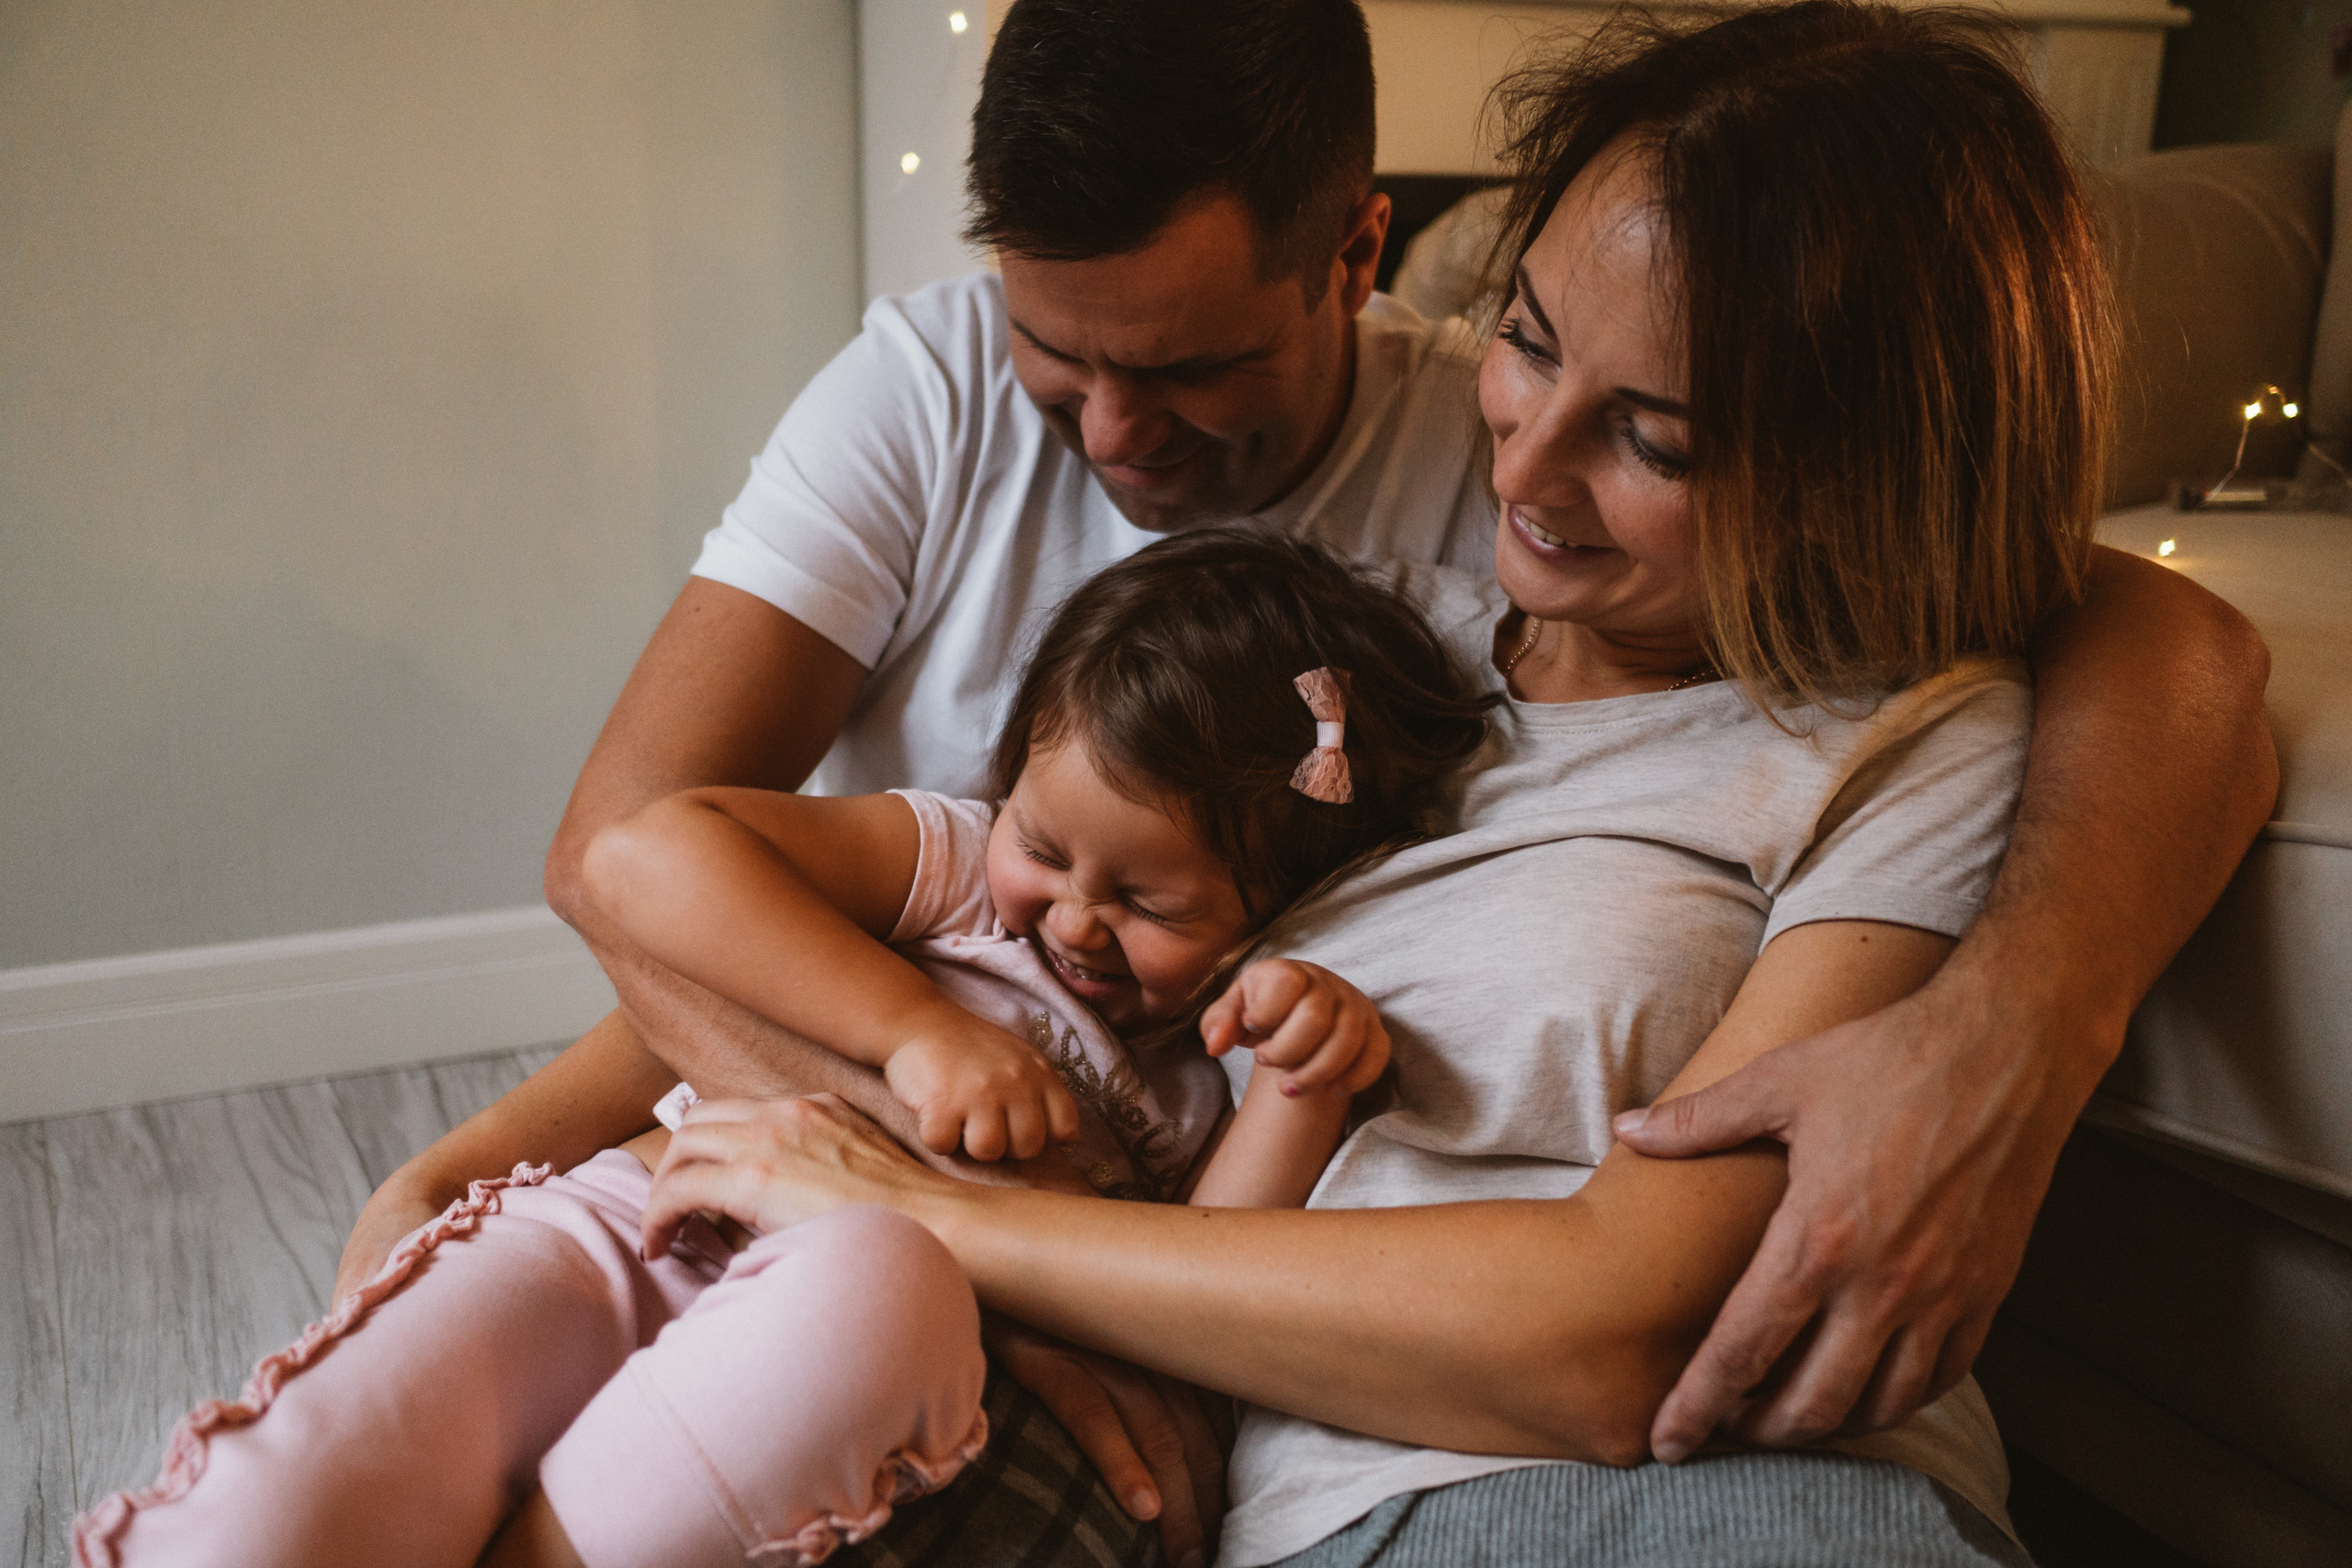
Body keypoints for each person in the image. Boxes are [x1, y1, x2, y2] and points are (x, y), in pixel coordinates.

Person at [338, 0, 2276, 1562]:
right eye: (1526, 341)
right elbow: (808, 881)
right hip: (1255, 1450)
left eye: (1654, 436)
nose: (1525, 475)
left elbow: (2169, 636)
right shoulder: (1362, 640)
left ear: (1350, 258)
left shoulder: (1868, 715)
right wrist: (495, 1154)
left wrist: (2026, 1018)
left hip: (1694, 1482)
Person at [73, 535, 1498, 1568]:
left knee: (881, 1280)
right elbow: (646, 855)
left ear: (1269, 911)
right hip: (627, 1225)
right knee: (323, 1469)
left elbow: (1207, 1300)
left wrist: (1303, 1088)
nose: (1071, 917)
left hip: (865, 1333)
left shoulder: (1203, 1064)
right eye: (1045, 846)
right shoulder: (946, 866)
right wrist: (918, 1031)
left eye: (1149, 903)